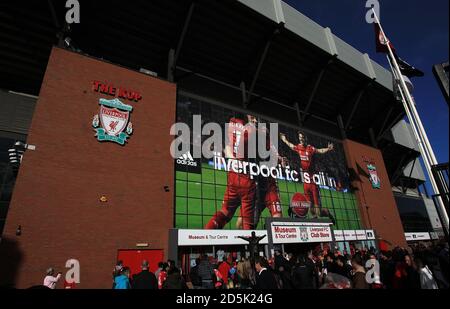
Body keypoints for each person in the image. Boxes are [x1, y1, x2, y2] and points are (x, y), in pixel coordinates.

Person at [205, 115, 258, 230]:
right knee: (247, 220)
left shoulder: (232, 122)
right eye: (253, 117)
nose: (255, 120)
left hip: (233, 175)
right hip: (247, 178)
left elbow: (228, 146)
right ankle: (248, 247)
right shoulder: (252, 130)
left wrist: (233, 160)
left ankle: (206, 236)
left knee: (225, 212)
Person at [280, 132, 334, 219]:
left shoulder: (310, 148)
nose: (301, 139)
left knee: (318, 213)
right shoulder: (299, 147)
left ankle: (327, 213)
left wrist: (328, 149)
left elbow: (320, 150)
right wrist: (284, 140)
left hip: (313, 183)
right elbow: (291, 146)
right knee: (312, 211)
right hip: (305, 184)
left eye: (302, 137)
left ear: (306, 138)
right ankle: (315, 225)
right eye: (300, 137)